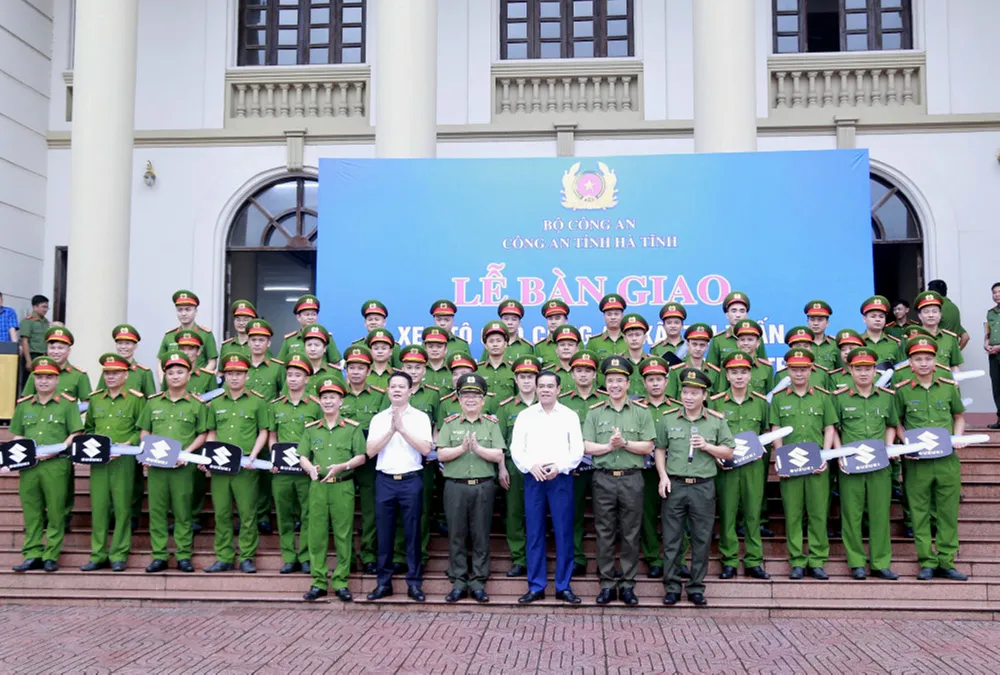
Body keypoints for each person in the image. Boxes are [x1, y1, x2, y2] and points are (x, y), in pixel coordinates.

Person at [654, 367, 735, 606]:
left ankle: (696, 587)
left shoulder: (716, 421)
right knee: (672, 539)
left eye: (694, 393)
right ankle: (671, 587)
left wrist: (708, 446)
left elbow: (729, 451)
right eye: (685, 392)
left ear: (704, 396)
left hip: (703, 486)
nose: (688, 397)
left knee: (701, 539)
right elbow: (659, 448)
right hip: (675, 485)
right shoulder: (669, 418)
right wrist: (663, 476)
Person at [583, 356, 656, 605]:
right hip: (603, 479)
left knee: (630, 533)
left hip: (631, 478)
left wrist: (624, 444)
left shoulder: (641, 412)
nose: (615, 385)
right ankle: (605, 584)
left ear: (628, 383)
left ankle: (627, 585)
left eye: (620, 380)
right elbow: (586, 446)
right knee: (604, 532)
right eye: (611, 380)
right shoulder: (595, 413)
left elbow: (648, 446)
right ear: (605, 384)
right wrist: (608, 446)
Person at [895, 336, 968, 581]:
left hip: (946, 459)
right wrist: (905, 442)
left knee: (947, 511)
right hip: (917, 462)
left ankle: (946, 560)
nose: (923, 363)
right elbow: (897, 422)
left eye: (928, 358)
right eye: (918, 359)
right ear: (911, 364)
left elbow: (958, 416)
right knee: (919, 511)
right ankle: (926, 560)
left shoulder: (948, 387)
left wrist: (957, 438)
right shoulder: (902, 390)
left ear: (935, 361)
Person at [510, 370, 584, 605]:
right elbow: (516, 449)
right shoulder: (525, 415)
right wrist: (530, 466)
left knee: (563, 533)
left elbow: (578, 450)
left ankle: (563, 586)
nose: (544, 390)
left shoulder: (569, 415)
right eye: (541, 385)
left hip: (560, 478)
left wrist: (560, 466)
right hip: (534, 478)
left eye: (550, 386)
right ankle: (536, 586)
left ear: (558, 389)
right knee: (534, 533)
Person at [8, 356, 83, 573]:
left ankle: (51, 554)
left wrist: (58, 448)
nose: (43, 381)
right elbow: (17, 435)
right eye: (39, 377)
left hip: (56, 465)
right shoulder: (24, 406)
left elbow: (75, 433)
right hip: (29, 466)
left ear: (56, 380)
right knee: (32, 511)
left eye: (48, 377)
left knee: (56, 511)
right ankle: (32, 553)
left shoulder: (67, 405)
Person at [832, 346, 899, 581]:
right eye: (858, 368)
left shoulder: (887, 397)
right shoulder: (839, 398)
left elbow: (892, 424)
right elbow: (834, 428)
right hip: (851, 465)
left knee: (880, 514)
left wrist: (890, 446)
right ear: (850, 370)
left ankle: (881, 563)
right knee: (852, 515)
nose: (863, 373)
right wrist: (839, 453)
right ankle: (857, 562)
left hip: (879, 464)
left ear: (875, 371)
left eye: (868, 368)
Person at [365, 372, 433, 602]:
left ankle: (414, 583)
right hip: (385, 481)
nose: (396, 390)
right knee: (384, 534)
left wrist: (402, 429)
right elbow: (370, 451)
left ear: (410, 390)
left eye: (401, 386)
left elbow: (426, 450)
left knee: (413, 534)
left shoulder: (421, 417)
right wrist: (391, 429)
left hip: (411, 480)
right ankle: (384, 583)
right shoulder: (378, 418)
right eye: (392, 386)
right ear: (387, 390)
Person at [769, 348, 837, 580]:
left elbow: (829, 427)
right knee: (794, 514)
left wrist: (826, 456)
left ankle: (817, 560)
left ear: (811, 370)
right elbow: (775, 430)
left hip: (817, 464)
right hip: (791, 465)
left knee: (818, 514)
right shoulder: (779, 399)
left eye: (803, 369)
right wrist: (779, 457)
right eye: (794, 369)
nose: (799, 373)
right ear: (788, 371)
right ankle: (797, 560)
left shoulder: (823, 396)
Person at [437, 373, 505, 603]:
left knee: (480, 535)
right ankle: (458, 581)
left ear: (483, 399)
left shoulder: (491, 424)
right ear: (458, 398)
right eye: (466, 395)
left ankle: (478, 581)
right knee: (456, 535)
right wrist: (462, 448)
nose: (471, 399)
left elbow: (498, 454)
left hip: (483, 486)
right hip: (455, 487)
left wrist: (477, 449)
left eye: (475, 395)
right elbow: (442, 453)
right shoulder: (450, 423)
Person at [139, 352, 208, 574]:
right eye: (171, 372)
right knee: (157, 512)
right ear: (165, 375)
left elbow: (202, 434)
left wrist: (185, 453)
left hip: (182, 468)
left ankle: (183, 555)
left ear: (189, 375)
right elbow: (145, 430)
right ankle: (159, 555)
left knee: (183, 512)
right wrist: (147, 452)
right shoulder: (152, 403)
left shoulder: (197, 405)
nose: (175, 376)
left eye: (180, 372)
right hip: (158, 467)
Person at [299, 378, 366, 602]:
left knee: (343, 535)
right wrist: (309, 468)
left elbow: (361, 456)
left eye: (333, 397)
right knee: (316, 535)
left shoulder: (352, 429)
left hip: (342, 487)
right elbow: (303, 456)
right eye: (324, 397)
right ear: (319, 401)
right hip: (318, 487)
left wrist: (343, 466)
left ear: (341, 401)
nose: (328, 401)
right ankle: (318, 581)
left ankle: (341, 581)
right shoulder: (310, 429)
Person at [203, 354, 269, 574]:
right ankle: (224, 557)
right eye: (230, 373)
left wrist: (254, 456)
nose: (234, 378)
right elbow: (211, 432)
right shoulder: (216, 403)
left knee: (247, 513)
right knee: (221, 513)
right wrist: (207, 456)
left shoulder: (257, 401)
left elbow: (263, 431)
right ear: (224, 376)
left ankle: (247, 557)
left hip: (246, 466)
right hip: (221, 466)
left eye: (238, 374)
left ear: (246, 375)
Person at [709, 351, 771, 580]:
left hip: (753, 466)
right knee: (727, 513)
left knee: (753, 514)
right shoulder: (715, 403)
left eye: (743, 372)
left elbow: (766, 433)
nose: (739, 377)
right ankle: (729, 560)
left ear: (750, 375)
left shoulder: (761, 403)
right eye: (734, 372)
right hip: (726, 467)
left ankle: (754, 560)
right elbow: (710, 434)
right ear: (727, 375)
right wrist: (716, 457)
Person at [81, 353, 145, 572]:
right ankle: (98, 554)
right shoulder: (96, 399)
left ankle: (119, 554)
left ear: (125, 375)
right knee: (99, 508)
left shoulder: (136, 399)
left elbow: (142, 429)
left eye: (115, 372)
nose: (110, 377)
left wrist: (130, 443)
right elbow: (89, 428)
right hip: (99, 462)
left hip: (123, 462)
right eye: (107, 373)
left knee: (122, 508)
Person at [268, 354, 322, 575]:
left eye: (297, 375)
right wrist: (273, 457)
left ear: (307, 379)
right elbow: (272, 435)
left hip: (306, 470)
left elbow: (319, 436)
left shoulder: (315, 405)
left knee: (308, 514)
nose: (292, 379)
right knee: (284, 514)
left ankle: (306, 556)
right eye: (289, 375)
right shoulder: (275, 406)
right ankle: (289, 557)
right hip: (282, 471)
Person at [557, 349, 607, 576]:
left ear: (595, 374)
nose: (583, 375)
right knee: (572, 515)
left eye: (588, 370)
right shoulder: (563, 402)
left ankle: (602, 562)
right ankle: (576, 557)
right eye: (579, 370)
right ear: (572, 373)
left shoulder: (606, 400)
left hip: (602, 467)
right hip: (573, 468)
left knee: (604, 517)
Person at [339, 344, 387, 575]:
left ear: (369, 372)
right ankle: (346, 557)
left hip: (370, 462)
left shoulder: (379, 397)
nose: (356, 372)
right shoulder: (336, 396)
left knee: (370, 511)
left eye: (361, 368)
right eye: (351, 367)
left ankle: (368, 555)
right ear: (345, 370)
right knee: (343, 512)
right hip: (342, 461)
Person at [392, 344, 441, 568]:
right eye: (409, 366)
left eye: (417, 367)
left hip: (423, 461)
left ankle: (419, 555)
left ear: (425, 370)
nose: (413, 371)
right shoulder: (394, 391)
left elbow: (437, 427)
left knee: (421, 511)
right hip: (398, 459)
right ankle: (400, 555)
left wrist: (433, 448)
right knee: (399, 512)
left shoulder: (432, 394)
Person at [495, 355, 544, 578]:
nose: (526, 381)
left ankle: (537, 557)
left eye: (531, 377)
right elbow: (499, 441)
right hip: (514, 467)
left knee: (540, 513)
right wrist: (502, 468)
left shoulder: (546, 405)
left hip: (542, 468)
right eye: (522, 377)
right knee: (514, 513)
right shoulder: (505, 408)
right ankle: (519, 558)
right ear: (515, 379)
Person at [242, 319, 285, 535]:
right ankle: (247, 515)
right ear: (247, 342)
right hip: (246, 427)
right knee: (246, 475)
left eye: (261, 340)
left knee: (268, 473)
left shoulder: (277, 368)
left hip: (270, 428)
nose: (257, 344)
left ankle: (264, 515)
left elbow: (283, 395)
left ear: (269, 343)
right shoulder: (240, 367)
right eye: (253, 340)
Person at [636, 356, 672, 578]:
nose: (655, 383)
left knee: (675, 517)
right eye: (650, 379)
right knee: (647, 515)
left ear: (666, 382)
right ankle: (652, 558)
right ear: (644, 383)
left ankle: (675, 558)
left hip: (674, 470)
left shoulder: (678, 407)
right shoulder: (637, 409)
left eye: (659, 379)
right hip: (645, 470)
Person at [21, 327, 91, 400]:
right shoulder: (36, 373)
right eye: (52, 348)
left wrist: (71, 410)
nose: (56, 352)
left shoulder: (79, 375)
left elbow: (87, 403)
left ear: (69, 351)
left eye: (60, 348)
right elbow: (26, 401)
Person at [157, 290, 218, 374]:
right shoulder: (169, 335)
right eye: (180, 310)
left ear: (195, 311)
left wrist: (201, 379)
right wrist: (163, 381)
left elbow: (212, 362)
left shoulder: (206, 334)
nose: (183, 313)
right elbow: (161, 362)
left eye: (188, 310)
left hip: (199, 384)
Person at [277, 294, 342, 364]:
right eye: (307, 314)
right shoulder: (290, 340)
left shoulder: (326, 337)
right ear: (298, 317)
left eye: (314, 314)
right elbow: (281, 364)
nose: (311, 317)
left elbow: (335, 363)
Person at [706, 291, 767, 366]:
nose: (738, 315)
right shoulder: (718, 340)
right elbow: (711, 370)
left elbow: (763, 367)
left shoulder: (757, 338)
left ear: (746, 314)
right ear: (727, 315)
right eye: (734, 311)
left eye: (742, 311)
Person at [99, 325, 156, 397]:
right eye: (120, 343)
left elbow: (151, 400)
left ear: (135, 346)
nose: (123, 347)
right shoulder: (109, 369)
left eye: (127, 343)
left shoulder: (144, 372)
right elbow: (100, 396)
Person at [666, 324, 720, 399]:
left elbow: (716, 400)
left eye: (702, 345)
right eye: (694, 344)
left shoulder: (714, 373)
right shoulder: (676, 371)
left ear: (707, 347)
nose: (698, 348)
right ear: (688, 345)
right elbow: (671, 400)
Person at [914, 291, 963, 370]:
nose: (931, 315)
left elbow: (954, 366)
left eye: (934, 311)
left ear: (940, 315)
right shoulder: (910, 339)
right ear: (919, 316)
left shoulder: (950, 339)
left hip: (944, 382)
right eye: (926, 312)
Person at [480, 299, 535, 364]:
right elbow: (483, 367)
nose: (510, 323)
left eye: (514, 319)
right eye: (506, 319)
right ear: (501, 321)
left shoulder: (527, 347)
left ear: (519, 323)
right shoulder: (491, 344)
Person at [351, 300, 402, 368]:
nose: (373, 322)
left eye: (377, 319)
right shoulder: (356, 346)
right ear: (365, 323)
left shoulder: (394, 347)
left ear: (384, 322)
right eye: (370, 319)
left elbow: (400, 372)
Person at [168, 330, 218, 395]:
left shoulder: (207, 376)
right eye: (182, 349)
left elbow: (214, 401)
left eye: (190, 349)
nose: (186, 353)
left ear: (198, 352)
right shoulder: (170, 375)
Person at [476, 321, 516, 402]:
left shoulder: (514, 370)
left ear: (505, 344)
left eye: (498, 341)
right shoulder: (478, 370)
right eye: (491, 341)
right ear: (486, 346)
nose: (495, 344)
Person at [927, 279, 969, 349]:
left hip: (937, 352)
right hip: (948, 353)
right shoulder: (954, 307)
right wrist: (956, 353)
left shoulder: (936, 308)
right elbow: (965, 336)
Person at [860, 295, 901, 364]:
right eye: (873, 316)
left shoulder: (894, 344)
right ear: (864, 319)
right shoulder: (857, 343)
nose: (878, 319)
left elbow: (899, 369)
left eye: (881, 316)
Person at [804, 300, 842, 371]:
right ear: (807, 322)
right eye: (812, 319)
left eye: (820, 320)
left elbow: (841, 372)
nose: (816, 323)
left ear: (827, 323)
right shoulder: (801, 344)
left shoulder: (835, 344)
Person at [545, 325, 584, 391]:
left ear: (577, 349)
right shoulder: (548, 372)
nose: (566, 348)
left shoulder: (585, 373)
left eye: (570, 345)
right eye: (562, 345)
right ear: (556, 350)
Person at [621, 314, 651, 396]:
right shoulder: (619, 362)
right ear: (624, 338)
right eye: (630, 335)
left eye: (638, 335)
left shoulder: (651, 362)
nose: (634, 338)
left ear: (645, 337)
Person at [534, 299, 570, 365]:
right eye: (550, 318)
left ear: (566, 321)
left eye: (557, 318)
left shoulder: (577, 343)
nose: (553, 322)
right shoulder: (539, 347)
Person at [19, 294, 49, 371]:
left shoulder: (45, 322)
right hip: (32, 355)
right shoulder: (28, 321)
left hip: (44, 356)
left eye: (47, 307)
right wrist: (28, 361)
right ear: (35, 307)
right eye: (43, 307)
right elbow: (24, 341)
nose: (45, 310)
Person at [985, 282, 1000, 429]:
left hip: (998, 351)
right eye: (994, 292)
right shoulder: (991, 313)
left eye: (999, 292)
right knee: (997, 387)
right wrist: (986, 343)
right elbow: (988, 332)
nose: (996, 295)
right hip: (994, 356)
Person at [422, 326, 453, 391]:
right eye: (430, 347)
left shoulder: (453, 371)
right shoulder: (418, 370)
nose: (434, 350)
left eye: (439, 347)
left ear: (445, 350)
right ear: (425, 349)